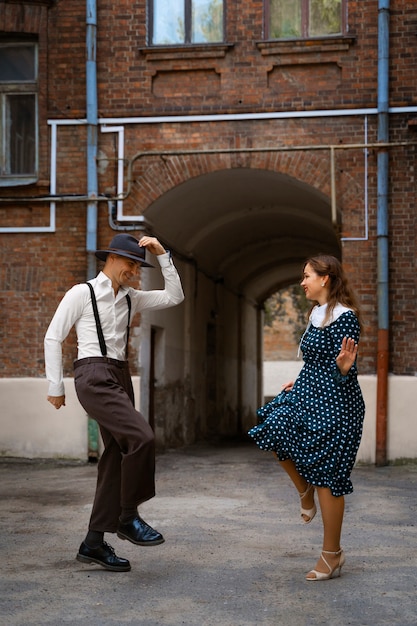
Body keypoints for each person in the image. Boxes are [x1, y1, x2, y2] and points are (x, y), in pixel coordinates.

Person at [45, 233, 184, 572]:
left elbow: (174, 296)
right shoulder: (83, 292)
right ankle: (126, 516)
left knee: (115, 455)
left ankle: (93, 542)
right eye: (130, 264)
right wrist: (56, 386)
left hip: (119, 376)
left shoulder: (131, 298)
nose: (134, 272)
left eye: (138, 266)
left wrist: (162, 254)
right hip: (93, 375)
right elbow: (54, 335)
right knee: (142, 437)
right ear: (110, 259)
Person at [248, 254, 365, 581]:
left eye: (307, 276)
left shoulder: (345, 318)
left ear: (325, 278)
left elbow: (346, 366)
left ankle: (332, 555)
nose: (302, 282)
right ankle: (303, 490)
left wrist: (342, 370)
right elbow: (314, 359)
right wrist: (298, 381)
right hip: (309, 392)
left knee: (329, 477)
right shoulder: (315, 313)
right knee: (272, 426)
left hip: (338, 402)